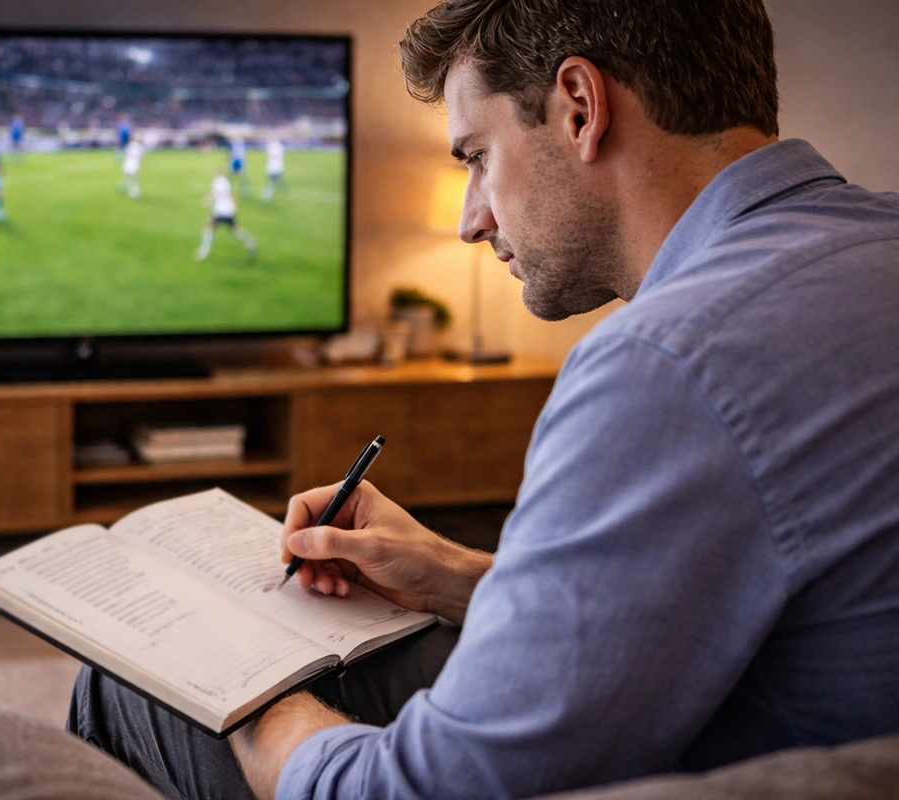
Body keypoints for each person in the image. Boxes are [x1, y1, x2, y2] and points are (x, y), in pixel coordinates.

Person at [68, 1, 899, 798]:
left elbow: (427, 792)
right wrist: (458, 576)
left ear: (579, 107)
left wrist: (244, 685)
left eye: (475, 156)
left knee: (126, 683)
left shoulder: (668, 364)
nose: (471, 221)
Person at [195, 167, 258, 261]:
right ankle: (251, 243)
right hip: (227, 210)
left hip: (221, 210)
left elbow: (219, 193)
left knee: (208, 229)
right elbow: (227, 193)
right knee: (234, 230)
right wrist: (236, 204)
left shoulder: (218, 181)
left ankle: (204, 251)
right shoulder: (224, 181)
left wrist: (207, 200)